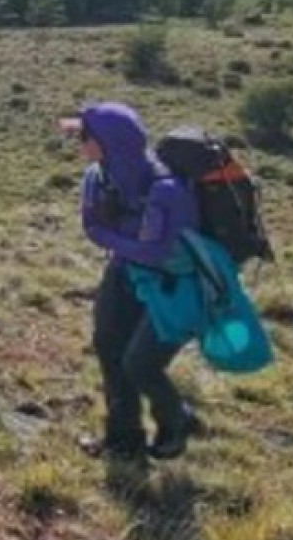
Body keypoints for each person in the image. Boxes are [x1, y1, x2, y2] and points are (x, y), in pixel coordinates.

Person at [67, 102, 205, 463]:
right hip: (124, 272)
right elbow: (92, 228)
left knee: (139, 363)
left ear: (109, 142)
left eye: (84, 136)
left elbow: (155, 252)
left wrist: (116, 238)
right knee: (109, 348)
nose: (79, 144)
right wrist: (128, 242)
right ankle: (124, 441)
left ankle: (176, 421)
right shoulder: (98, 176)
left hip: (172, 284)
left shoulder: (167, 189)